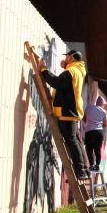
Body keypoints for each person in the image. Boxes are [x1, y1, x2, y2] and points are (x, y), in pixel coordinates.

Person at [39, 50, 89, 180]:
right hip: (70, 111)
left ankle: (81, 171)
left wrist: (44, 70)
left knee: (72, 141)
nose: (65, 59)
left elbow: (57, 83)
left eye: (66, 57)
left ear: (71, 58)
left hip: (67, 112)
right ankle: (83, 170)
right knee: (75, 141)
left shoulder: (71, 72)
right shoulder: (76, 70)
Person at [83, 95, 107, 171]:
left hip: (89, 131)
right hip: (99, 132)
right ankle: (97, 165)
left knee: (89, 148)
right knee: (98, 149)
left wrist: (88, 123)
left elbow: (84, 118)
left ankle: (91, 164)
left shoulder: (89, 107)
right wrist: (99, 124)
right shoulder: (104, 112)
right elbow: (105, 124)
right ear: (102, 104)